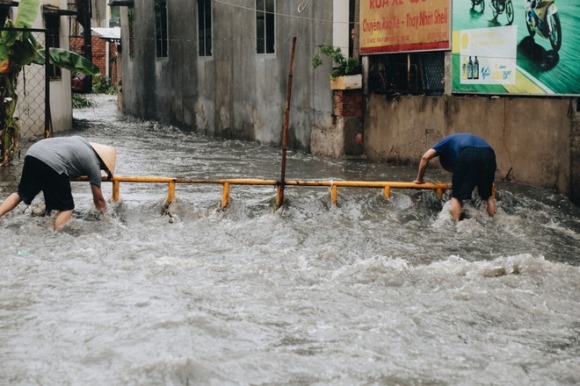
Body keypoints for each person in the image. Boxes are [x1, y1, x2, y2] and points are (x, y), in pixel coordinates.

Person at [0, 136, 116, 229]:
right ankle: (54, 236)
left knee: (21, 193)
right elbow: (99, 200)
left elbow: (67, 159)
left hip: (33, 153)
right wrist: (107, 218)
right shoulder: (94, 165)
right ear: (103, 164)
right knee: (67, 208)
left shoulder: (80, 140)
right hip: (54, 163)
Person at [413, 133, 496, 221]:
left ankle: (455, 226)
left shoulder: (444, 142)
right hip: (489, 154)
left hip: (467, 153)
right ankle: (493, 222)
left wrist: (419, 179)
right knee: (488, 197)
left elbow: (425, 157)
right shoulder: (460, 140)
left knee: (457, 197)